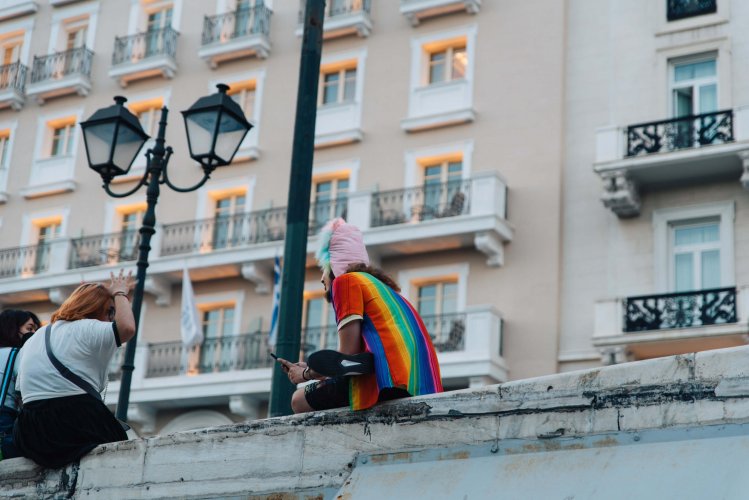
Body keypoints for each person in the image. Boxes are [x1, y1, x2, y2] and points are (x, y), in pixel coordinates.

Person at [277, 218, 443, 413]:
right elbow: (352, 361)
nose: (322, 278)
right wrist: (318, 371)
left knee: (298, 400)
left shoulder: (345, 283)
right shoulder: (384, 288)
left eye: (324, 268)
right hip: (421, 384)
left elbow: (346, 358)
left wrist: (305, 374)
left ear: (335, 266)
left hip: (386, 382)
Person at [13, 270, 136, 468]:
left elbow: (20, 390)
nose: (112, 318)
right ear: (96, 309)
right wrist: (120, 293)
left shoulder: (37, 335)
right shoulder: (86, 327)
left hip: (30, 431)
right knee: (125, 451)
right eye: (111, 311)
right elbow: (127, 328)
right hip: (72, 421)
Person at [0, 310, 40, 460]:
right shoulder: (18, 354)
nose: (34, 334)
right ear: (12, 329)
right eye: (29, 329)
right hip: (5, 418)